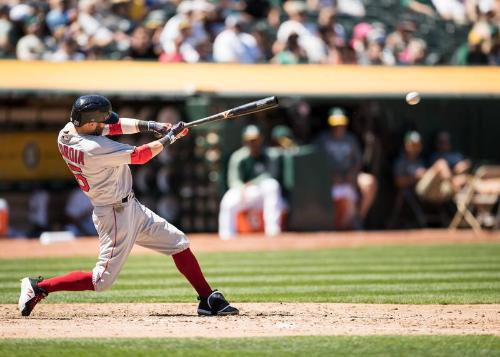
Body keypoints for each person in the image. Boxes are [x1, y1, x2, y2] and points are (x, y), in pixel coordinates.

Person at [18, 94, 238, 317]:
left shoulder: (67, 132)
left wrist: (154, 126)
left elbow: (114, 127)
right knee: (100, 280)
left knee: (178, 242)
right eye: (101, 121)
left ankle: (207, 298)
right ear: (91, 123)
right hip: (114, 214)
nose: (106, 123)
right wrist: (170, 138)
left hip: (130, 207)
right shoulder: (93, 147)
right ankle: (39, 287)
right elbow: (140, 156)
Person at [218, 125, 284, 239]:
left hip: (262, 192)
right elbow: (233, 180)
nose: (253, 143)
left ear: (261, 139)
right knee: (228, 200)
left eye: (255, 140)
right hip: (244, 192)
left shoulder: (269, 154)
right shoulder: (239, 156)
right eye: (250, 140)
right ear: (245, 141)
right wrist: (242, 188)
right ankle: (226, 236)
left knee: (272, 185)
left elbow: (271, 175)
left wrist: (251, 183)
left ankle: (273, 230)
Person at [316, 108, 377, 229]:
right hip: (329, 179)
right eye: (336, 124)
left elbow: (358, 161)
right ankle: (344, 224)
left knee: (369, 182)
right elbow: (315, 162)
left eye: (341, 124)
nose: (338, 127)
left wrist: (353, 174)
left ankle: (359, 217)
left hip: (349, 176)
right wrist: (329, 176)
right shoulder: (322, 140)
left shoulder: (351, 139)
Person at [394, 131, 454, 203]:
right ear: (406, 145)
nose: (414, 147)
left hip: (434, 189)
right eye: (412, 145)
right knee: (441, 163)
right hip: (417, 192)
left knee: (461, 180)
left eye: (417, 145)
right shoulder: (401, 162)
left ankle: (455, 186)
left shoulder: (421, 161)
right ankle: (453, 184)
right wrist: (416, 177)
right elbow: (398, 182)